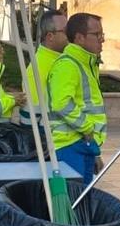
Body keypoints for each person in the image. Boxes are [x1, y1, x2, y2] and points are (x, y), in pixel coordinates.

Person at [47, 12, 107, 183]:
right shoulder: (68, 65)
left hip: (82, 144)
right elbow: (61, 103)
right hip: (69, 146)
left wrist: (95, 150)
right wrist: (88, 129)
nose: (102, 39)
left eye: (102, 34)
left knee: (83, 200)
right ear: (79, 38)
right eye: (97, 34)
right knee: (76, 201)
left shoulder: (85, 63)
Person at [19, 10, 67, 128]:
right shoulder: (37, 70)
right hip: (51, 142)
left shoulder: (64, 60)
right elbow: (30, 122)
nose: (70, 34)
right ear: (50, 36)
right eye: (66, 31)